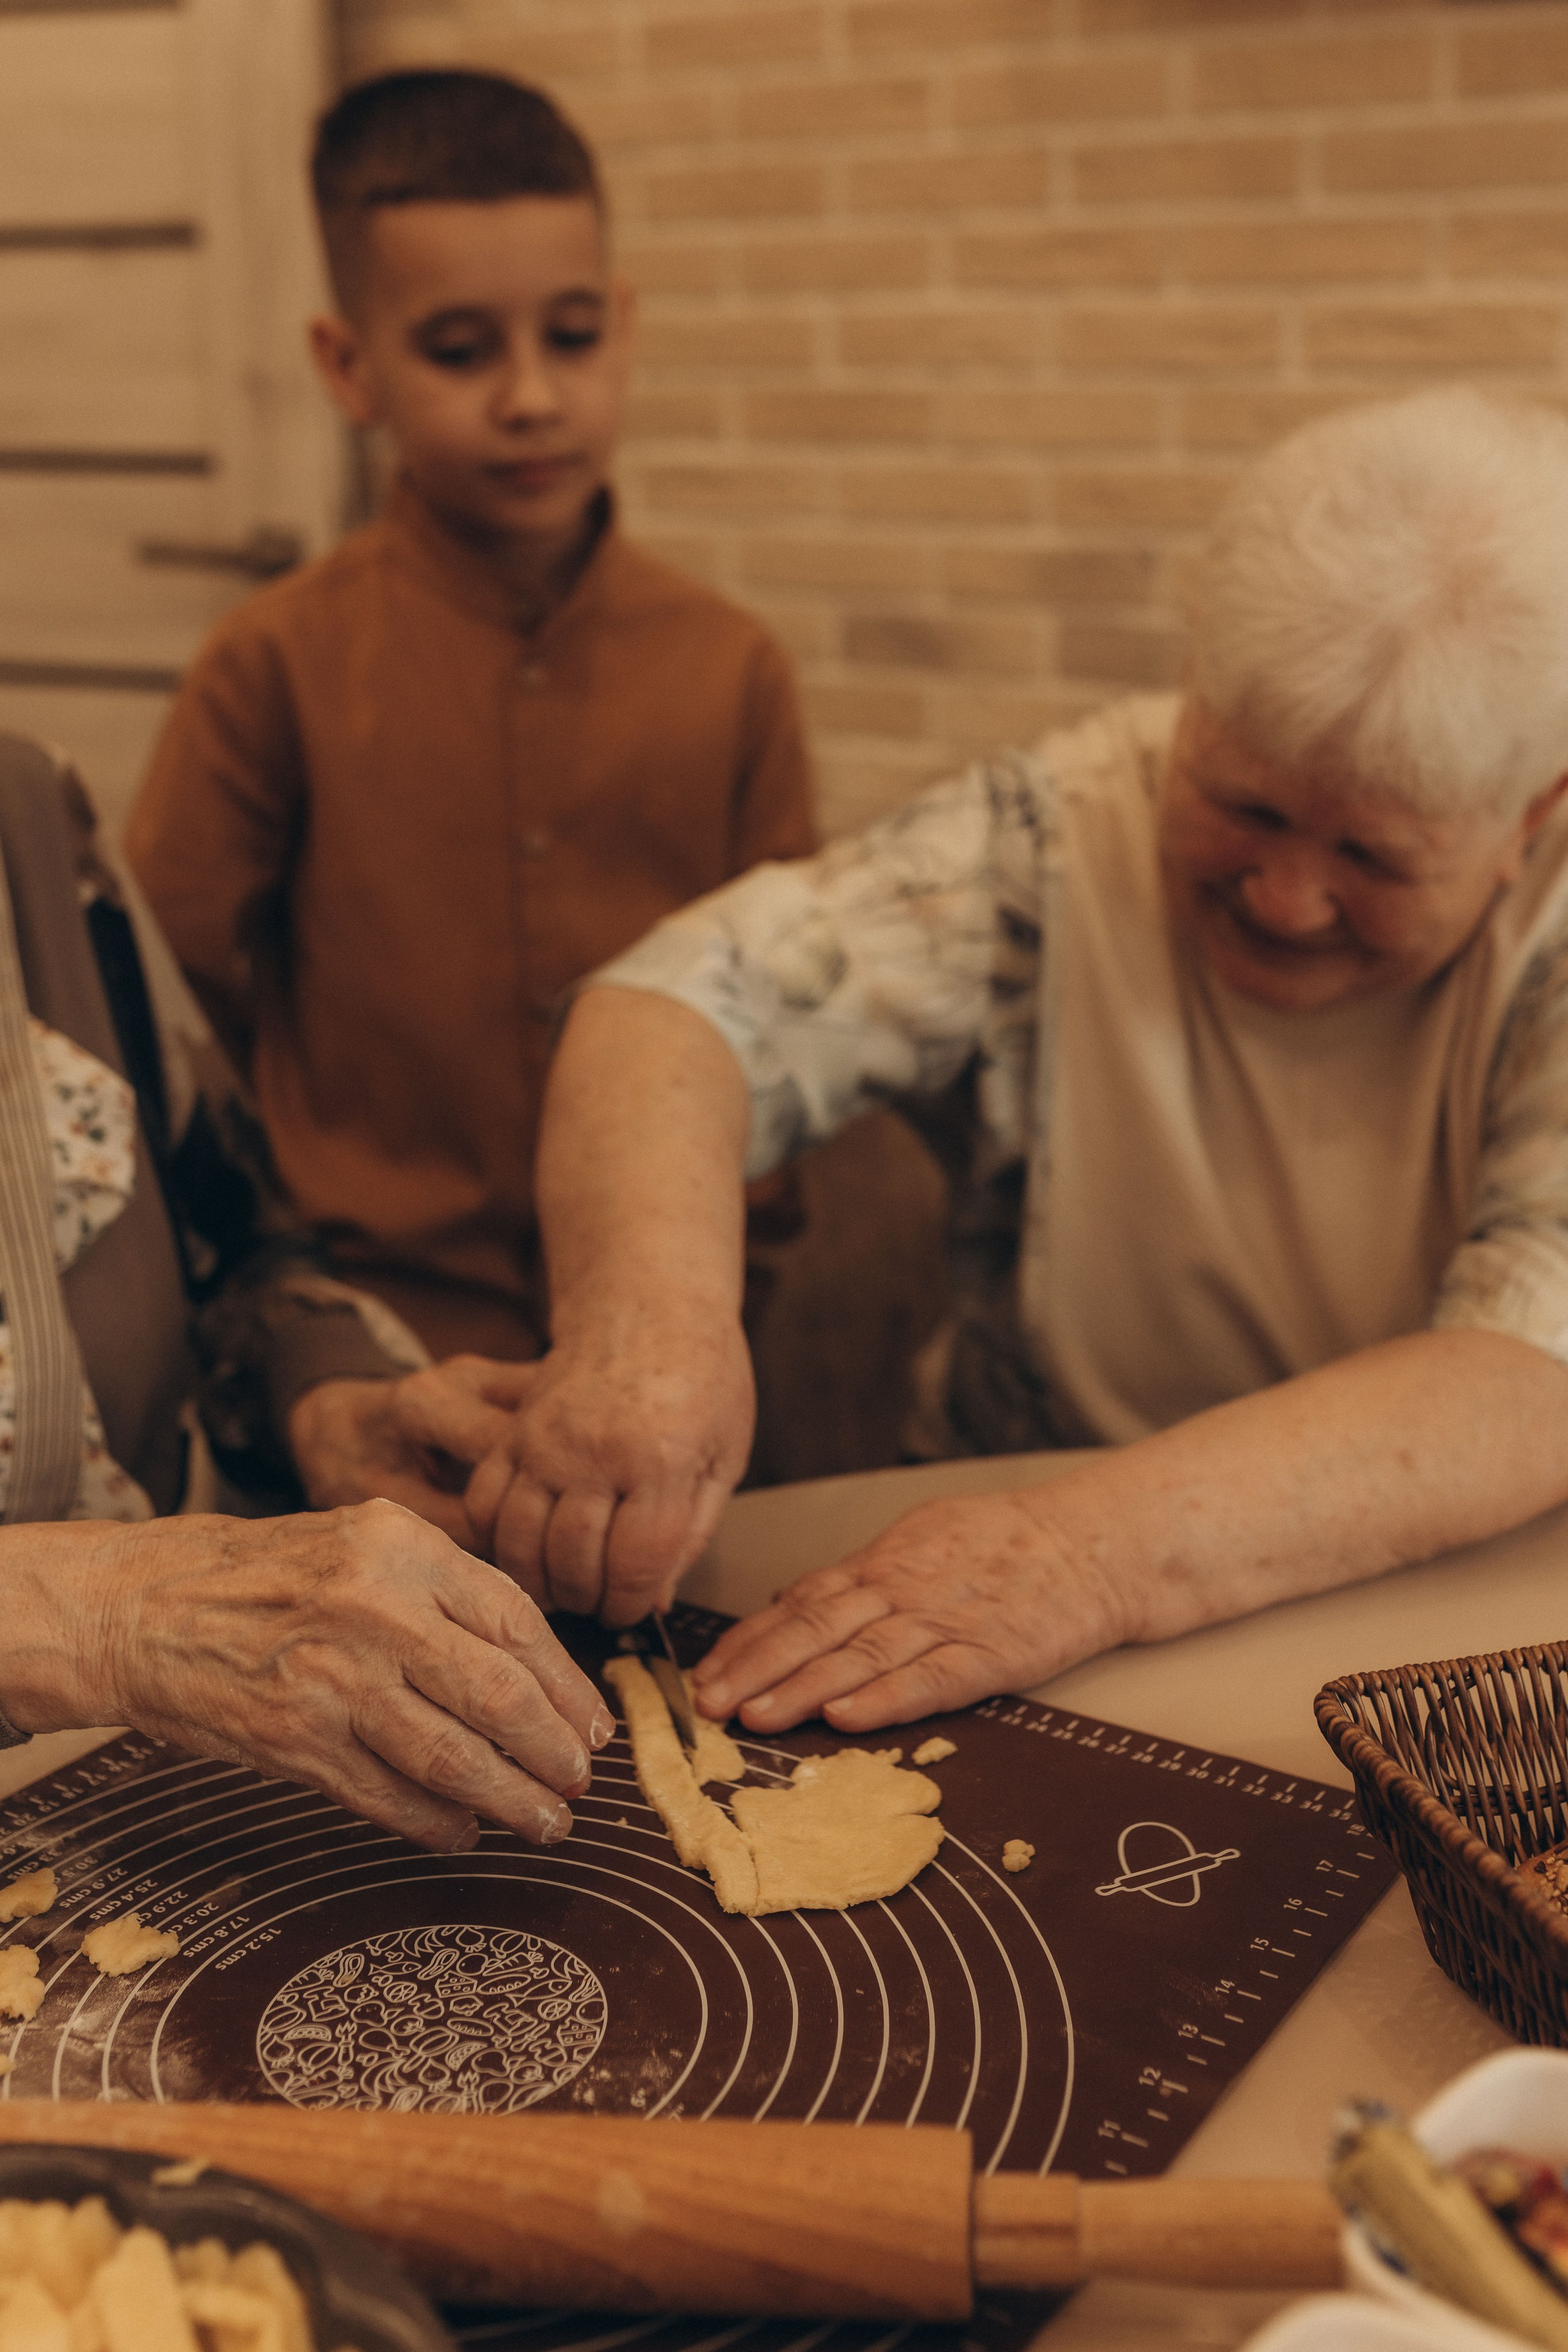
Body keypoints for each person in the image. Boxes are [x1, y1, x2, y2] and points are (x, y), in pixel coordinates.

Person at [462, 385, 1568, 1735]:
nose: (1284, 896)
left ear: (1531, 816)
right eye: (1241, 803)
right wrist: (650, 1330)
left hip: (1458, 1633)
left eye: (1370, 856)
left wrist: (1079, 1556)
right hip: (1013, 1572)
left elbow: (1529, 1367)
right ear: (1195, 678)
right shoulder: (1053, 837)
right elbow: (678, 1006)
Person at [123, 67, 815, 1386]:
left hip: (670, 1358)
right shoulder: (271, 666)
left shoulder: (730, 670)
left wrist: (719, 1331)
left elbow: (787, 1033)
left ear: (621, 326)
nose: (530, 397)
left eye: (569, 337)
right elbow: (168, 1039)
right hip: (362, 1362)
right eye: (459, 349)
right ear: (349, 366)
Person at [0, 729, 607, 1852]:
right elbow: (117, 1608)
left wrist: (323, 1404)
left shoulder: (29, 811)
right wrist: (105, 1614)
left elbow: (230, 1236)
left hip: (117, 1813)